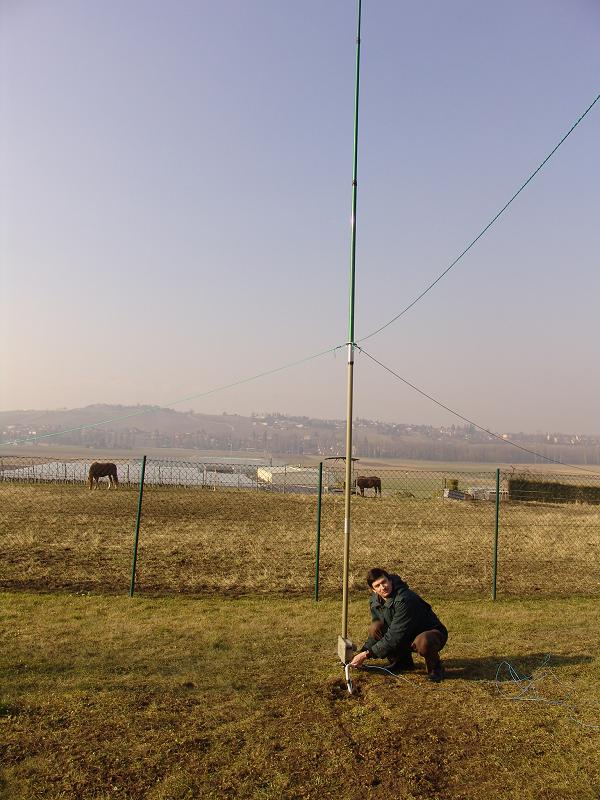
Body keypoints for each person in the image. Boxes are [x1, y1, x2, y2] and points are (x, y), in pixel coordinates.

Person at [349, 567, 448, 682]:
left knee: (423, 641)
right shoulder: (375, 601)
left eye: (384, 582)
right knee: (376, 628)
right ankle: (402, 662)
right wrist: (362, 651)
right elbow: (379, 628)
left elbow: (395, 635)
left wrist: (367, 654)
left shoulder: (405, 600)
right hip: (406, 634)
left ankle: (435, 668)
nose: (383, 587)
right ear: (373, 590)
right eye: (377, 586)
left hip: (431, 633)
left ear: (390, 580)